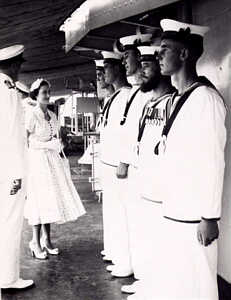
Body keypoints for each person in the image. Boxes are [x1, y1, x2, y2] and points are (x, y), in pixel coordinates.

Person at [138, 19, 226, 300]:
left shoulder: (206, 99)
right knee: (180, 282)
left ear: (184, 54)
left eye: (165, 49)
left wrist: (209, 217)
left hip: (194, 214)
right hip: (175, 207)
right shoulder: (179, 98)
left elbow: (213, 160)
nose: (158, 56)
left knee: (199, 283)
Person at [125, 45, 175, 300]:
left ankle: (158, 290)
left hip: (162, 188)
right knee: (145, 238)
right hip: (144, 182)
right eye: (141, 65)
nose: (141, 72)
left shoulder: (172, 103)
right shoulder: (148, 102)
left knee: (160, 244)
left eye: (147, 66)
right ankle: (147, 284)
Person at [24, 78, 86, 260]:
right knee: (38, 201)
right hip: (37, 163)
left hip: (51, 162)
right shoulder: (31, 114)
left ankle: (47, 240)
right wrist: (47, 145)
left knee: (50, 200)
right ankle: (35, 242)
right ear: (36, 95)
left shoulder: (52, 115)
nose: (48, 95)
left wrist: (59, 143)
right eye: (44, 92)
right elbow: (26, 141)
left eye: (48, 92)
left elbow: (57, 137)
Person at [0, 44, 34, 290]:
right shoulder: (8, 91)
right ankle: (8, 278)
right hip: (9, 170)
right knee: (10, 223)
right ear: (11, 65)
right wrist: (15, 175)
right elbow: (11, 136)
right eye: (19, 63)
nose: (20, 67)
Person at [99, 51, 132, 276]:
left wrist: (124, 161)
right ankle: (116, 253)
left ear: (119, 68)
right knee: (111, 212)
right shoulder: (113, 97)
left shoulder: (127, 95)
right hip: (107, 162)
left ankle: (125, 261)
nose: (103, 73)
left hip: (117, 165)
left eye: (107, 68)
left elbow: (128, 133)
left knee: (121, 214)